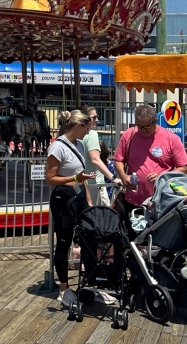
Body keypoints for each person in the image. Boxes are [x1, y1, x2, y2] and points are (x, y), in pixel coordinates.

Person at [46, 109, 95, 307]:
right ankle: (64, 288)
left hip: (79, 197)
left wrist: (89, 200)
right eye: (87, 129)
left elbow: (81, 174)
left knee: (89, 237)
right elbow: (50, 179)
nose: (88, 133)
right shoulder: (57, 147)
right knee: (64, 243)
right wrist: (75, 179)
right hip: (63, 199)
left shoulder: (80, 145)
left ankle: (89, 280)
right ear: (78, 126)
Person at [113, 104, 187, 214]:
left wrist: (162, 176)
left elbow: (184, 168)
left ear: (155, 121)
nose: (143, 131)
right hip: (133, 201)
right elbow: (118, 159)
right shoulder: (129, 135)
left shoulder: (171, 139)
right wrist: (123, 176)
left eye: (147, 127)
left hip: (162, 202)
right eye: (139, 127)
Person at [81, 105, 121, 206]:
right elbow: (95, 159)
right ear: (85, 118)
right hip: (95, 184)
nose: (97, 120)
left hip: (81, 183)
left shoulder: (76, 134)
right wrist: (113, 178)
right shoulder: (92, 134)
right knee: (103, 218)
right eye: (94, 117)